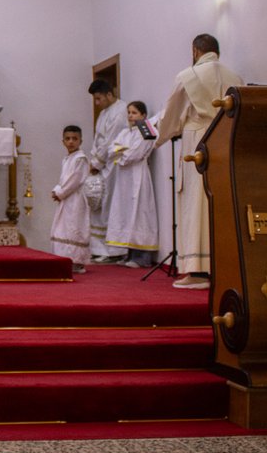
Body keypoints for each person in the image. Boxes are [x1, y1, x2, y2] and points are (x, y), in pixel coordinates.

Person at [157, 34, 244, 289]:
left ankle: (197, 270)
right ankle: (221, 266)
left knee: (196, 203)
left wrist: (160, 136)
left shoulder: (188, 76)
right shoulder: (235, 77)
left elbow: (172, 114)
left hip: (198, 141)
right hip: (225, 140)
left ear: (195, 50)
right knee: (219, 201)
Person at [105, 101, 159, 269]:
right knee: (126, 212)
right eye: (129, 112)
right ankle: (128, 253)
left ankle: (142, 256)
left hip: (138, 175)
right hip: (124, 178)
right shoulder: (124, 132)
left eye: (134, 112)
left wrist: (121, 152)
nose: (130, 116)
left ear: (143, 115)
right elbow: (110, 151)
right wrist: (121, 152)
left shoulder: (147, 130)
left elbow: (136, 153)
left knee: (140, 212)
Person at [87, 79, 128, 264]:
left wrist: (97, 162)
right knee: (97, 204)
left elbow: (111, 140)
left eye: (98, 98)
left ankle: (113, 251)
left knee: (110, 205)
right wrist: (92, 159)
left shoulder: (120, 112)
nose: (97, 103)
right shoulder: (104, 113)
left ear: (109, 95)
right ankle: (98, 248)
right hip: (101, 165)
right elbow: (97, 139)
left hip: (113, 165)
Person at [50, 125, 91, 274]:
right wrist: (57, 190)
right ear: (63, 141)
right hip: (66, 199)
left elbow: (75, 180)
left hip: (75, 199)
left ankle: (76, 261)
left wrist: (60, 193)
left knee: (74, 227)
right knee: (63, 227)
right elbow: (64, 179)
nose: (71, 142)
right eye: (68, 139)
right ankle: (64, 259)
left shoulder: (80, 158)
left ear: (81, 140)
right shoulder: (67, 158)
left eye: (74, 139)